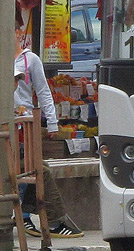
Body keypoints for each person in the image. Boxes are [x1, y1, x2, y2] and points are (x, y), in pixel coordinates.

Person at [15, 48, 84, 239]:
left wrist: (52, 122)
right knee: (37, 169)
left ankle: (25, 214)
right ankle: (50, 220)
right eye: (13, 80)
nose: (16, 84)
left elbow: (44, 90)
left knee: (37, 166)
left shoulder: (30, 59)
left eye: (18, 80)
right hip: (13, 134)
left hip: (25, 126)